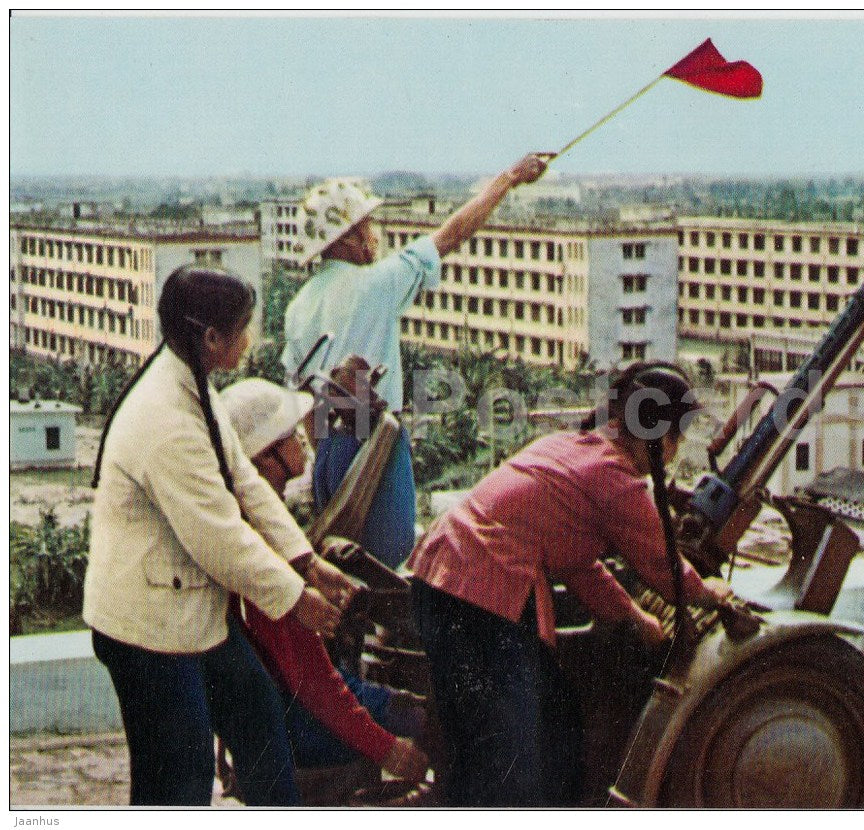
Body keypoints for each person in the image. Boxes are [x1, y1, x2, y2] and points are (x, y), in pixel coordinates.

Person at [84, 265, 358, 806]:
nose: (250, 339)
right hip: (148, 629)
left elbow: (244, 481)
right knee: (177, 786)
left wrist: (305, 560)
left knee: (261, 735)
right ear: (211, 337)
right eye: (243, 327)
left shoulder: (193, 381)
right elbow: (220, 537)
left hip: (191, 615)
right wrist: (296, 599)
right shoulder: (166, 420)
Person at [407, 362, 733, 807]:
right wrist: (710, 593)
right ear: (656, 434)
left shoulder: (566, 446)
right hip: (480, 590)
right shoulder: (614, 477)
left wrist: (634, 616)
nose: (676, 451)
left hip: (441, 576)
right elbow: (663, 566)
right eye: (677, 437)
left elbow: (578, 566)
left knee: (520, 728)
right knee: (519, 747)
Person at [281, 153, 550, 569]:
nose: (374, 235)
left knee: (342, 566)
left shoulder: (298, 306)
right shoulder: (376, 284)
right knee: (388, 567)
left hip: (328, 450)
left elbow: (300, 400)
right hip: (375, 441)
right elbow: (452, 235)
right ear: (349, 237)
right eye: (367, 226)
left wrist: (327, 452)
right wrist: (508, 179)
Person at [218, 378, 429, 787]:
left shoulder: (250, 529)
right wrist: (390, 748)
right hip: (298, 725)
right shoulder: (265, 558)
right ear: (264, 458)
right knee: (422, 716)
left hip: (271, 716)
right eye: (292, 435)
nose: (303, 440)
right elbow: (315, 685)